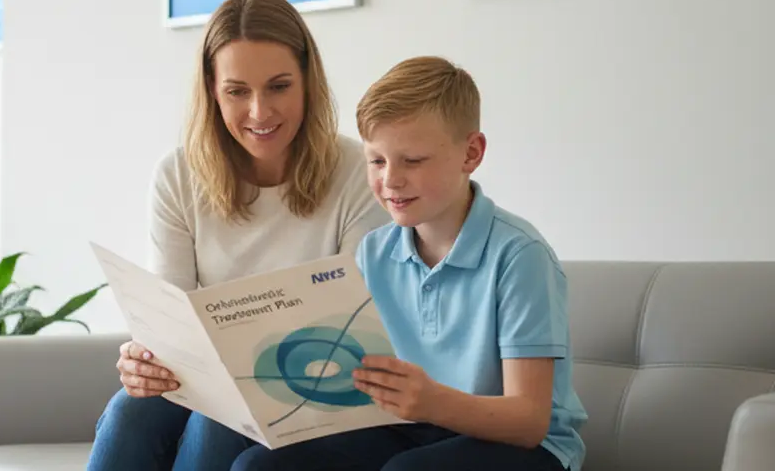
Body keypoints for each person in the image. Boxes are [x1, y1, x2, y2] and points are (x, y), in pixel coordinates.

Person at [228, 56, 588, 470]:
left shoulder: (519, 256)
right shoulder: (373, 252)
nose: (391, 180)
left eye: (413, 161)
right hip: (410, 428)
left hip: (527, 449)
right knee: (258, 465)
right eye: (377, 161)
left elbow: (529, 421)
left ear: (471, 153)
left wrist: (432, 401)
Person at [86, 0, 390, 470]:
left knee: (222, 417)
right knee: (132, 409)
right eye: (237, 91)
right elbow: (169, 324)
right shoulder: (178, 176)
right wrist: (144, 359)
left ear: (308, 82)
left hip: (321, 384)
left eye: (279, 86)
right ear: (211, 88)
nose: (259, 112)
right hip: (215, 378)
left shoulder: (358, 171)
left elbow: (355, 326)